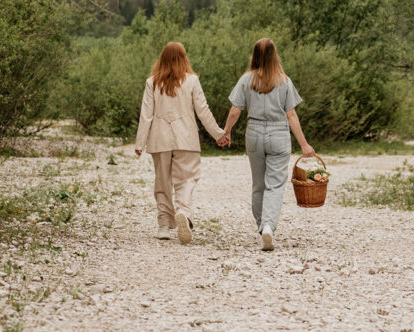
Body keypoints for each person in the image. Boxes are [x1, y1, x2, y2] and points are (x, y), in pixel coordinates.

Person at [222, 38, 315, 251]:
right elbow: (291, 114)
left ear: (254, 55)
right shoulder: (284, 80)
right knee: (275, 184)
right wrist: (304, 145)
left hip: (254, 133)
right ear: (275, 55)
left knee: (258, 184)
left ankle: (261, 227)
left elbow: (235, 110)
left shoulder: (246, 79)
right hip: (278, 134)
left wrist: (226, 132)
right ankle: (268, 227)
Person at [135, 42, 228, 244]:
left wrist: (139, 143)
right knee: (187, 179)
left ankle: (164, 226)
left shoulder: (152, 82)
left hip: (159, 139)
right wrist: (218, 134)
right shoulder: (192, 81)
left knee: (162, 182)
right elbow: (203, 111)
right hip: (186, 138)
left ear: (162, 58)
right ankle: (183, 212)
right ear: (184, 58)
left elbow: (146, 115)